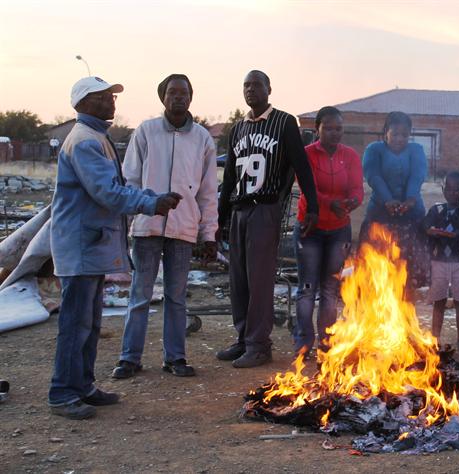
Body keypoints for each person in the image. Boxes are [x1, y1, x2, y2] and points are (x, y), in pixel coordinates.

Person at [49, 76, 181, 419]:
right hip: (80, 245)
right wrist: (152, 204)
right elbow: (107, 192)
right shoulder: (84, 142)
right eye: (104, 97)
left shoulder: (96, 137)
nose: (112, 102)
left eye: (111, 96)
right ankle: (63, 392)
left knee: (89, 322)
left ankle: (83, 386)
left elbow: (114, 188)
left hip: (90, 245)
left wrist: (152, 199)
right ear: (83, 103)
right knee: (75, 322)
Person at [112, 74, 218, 379]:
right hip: (147, 226)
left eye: (184, 93)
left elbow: (208, 192)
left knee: (176, 296)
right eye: (172, 93)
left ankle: (175, 358)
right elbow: (130, 180)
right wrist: (131, 218)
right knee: (140, 294)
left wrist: (207, 233)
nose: (178, 98)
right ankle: (129, 358)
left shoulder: (202, 139)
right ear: (163, 97)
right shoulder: (146, 131)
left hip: (184, 229)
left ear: (191, 98)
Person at [217, 70, 319, 368]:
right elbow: (231, 178)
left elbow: (301, 166)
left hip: (265, 207)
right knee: (238, 278)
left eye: (256, 85)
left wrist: (312, 206)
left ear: (269, 89)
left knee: (259, 279)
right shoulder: (238, 129)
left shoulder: (285, 122)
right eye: (246, 85)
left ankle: (259, 344)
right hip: (239, 209)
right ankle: (243, 338)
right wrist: (219, 220)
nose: (250, 90)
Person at [293, 106, 363, 358]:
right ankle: (303, 342)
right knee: (307, 287)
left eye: (339, 128)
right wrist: (328, 203)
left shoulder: (350, 156)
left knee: (330, 289)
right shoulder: (307, 154)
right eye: (329, 128)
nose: (335, 133)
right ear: (317, 129)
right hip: (310, 227)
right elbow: (306, 186)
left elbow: (357, 188)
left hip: (338, 230)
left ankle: (326, 341)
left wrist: (354, 201)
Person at [360, 111, 428, 294]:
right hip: (380, 216)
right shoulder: (374, 150)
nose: (400, 139)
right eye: (395, 134)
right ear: (385, 132)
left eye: (405, 135)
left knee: (407, 273)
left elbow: (417, 175)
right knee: (379, 270)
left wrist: (410, 199)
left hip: (412, 217)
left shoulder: (416, 150)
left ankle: (404, 317)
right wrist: (388, 200)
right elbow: (373, 176)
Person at [422, 171, 459, 357]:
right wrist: (432, 231)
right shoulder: (436, 210)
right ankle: (434, 339)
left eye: (457, 189)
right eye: (449, 189)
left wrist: (450, 232)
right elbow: (425, 227)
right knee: (439, 301)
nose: (453, 193)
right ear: (443, 190)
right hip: (439, 262)